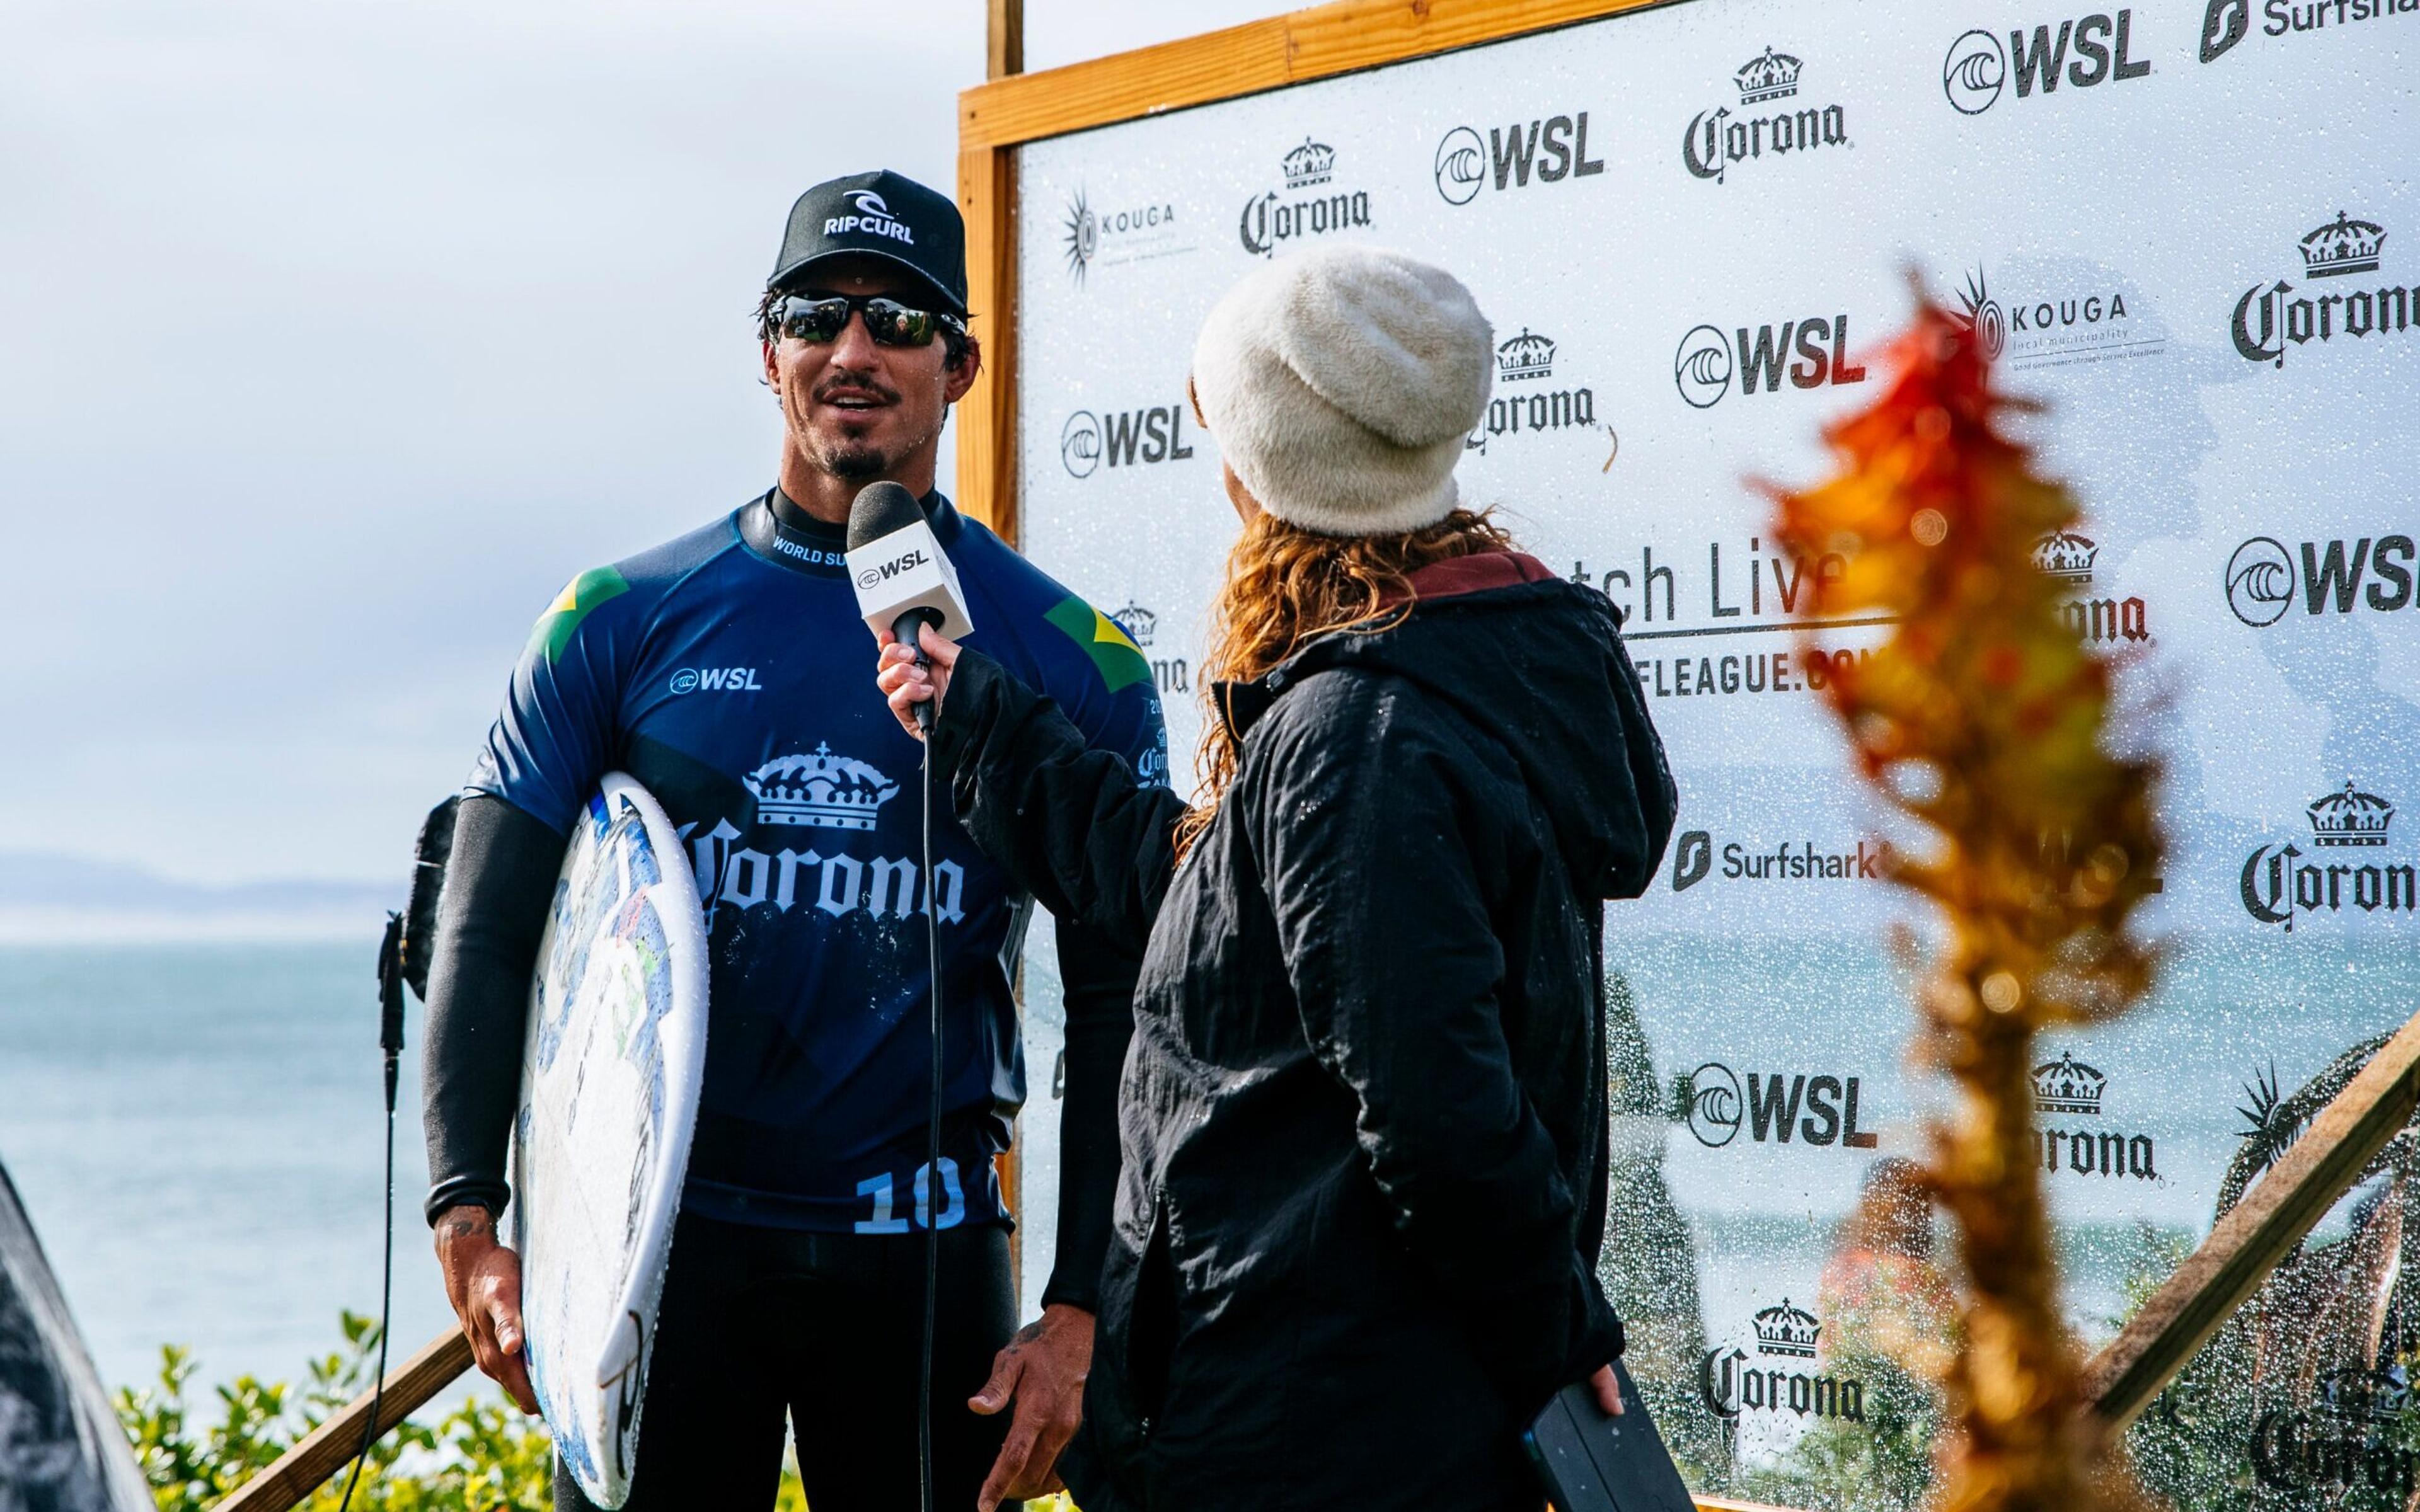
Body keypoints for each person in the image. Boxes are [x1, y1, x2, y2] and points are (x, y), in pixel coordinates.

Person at [878, 246, 1678, 1511]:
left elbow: (1436, 1108)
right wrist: (981, 721)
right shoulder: (1432, 676)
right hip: (1351, 1409)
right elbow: (1216, 913)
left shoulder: (1357, 734)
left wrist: (1560, 1340)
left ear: (1269, 464)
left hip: (1315, 1436)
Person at [420, 169, 1168, 1512]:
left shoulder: (1071, 657)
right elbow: (484, 924)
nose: (854, 352)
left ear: (964, 363)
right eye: (818, 314)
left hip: (927, 1263)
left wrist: (1081, 1309)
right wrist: (470, 1221)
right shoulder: (616, 618)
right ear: (767, 351)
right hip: (665, 1258)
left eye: (898, 319)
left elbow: (1129, 1002)